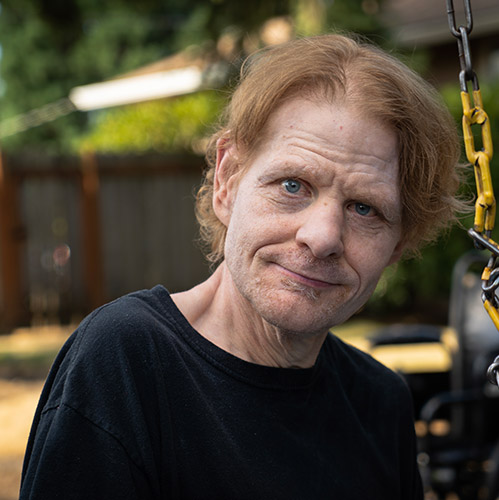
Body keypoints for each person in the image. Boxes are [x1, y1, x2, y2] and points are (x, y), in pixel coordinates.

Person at [20, 34, 463, 499]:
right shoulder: (126, 362)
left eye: (365, 209)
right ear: (228, 181)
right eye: (293, 184)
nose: (324, 236)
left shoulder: (381, 403)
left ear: (399, 244)